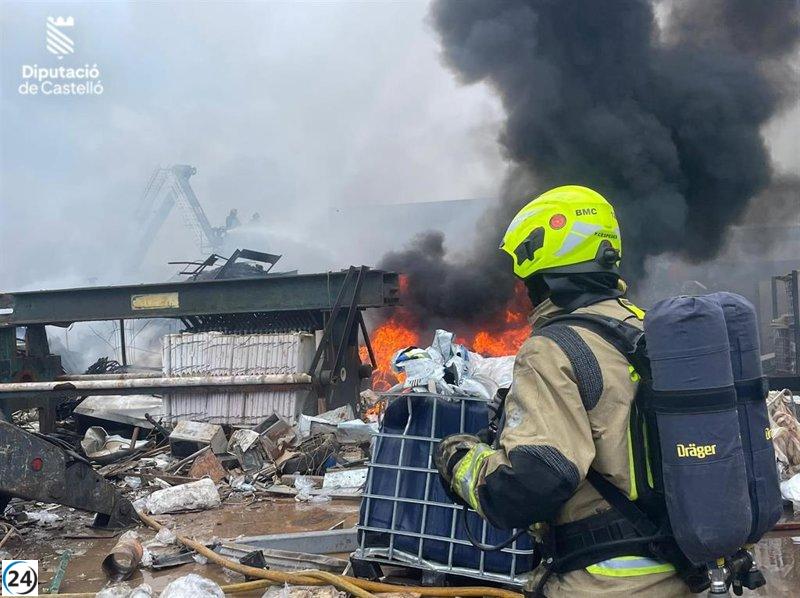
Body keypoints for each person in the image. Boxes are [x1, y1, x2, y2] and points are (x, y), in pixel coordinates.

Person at [435, 185, 692, 597]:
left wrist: (461, 463)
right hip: (687, 573)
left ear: (543, 271)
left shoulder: (554, 349)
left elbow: (531, 485)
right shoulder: (645, 330)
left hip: (607, 583)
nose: (523, 288)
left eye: (526, 277)